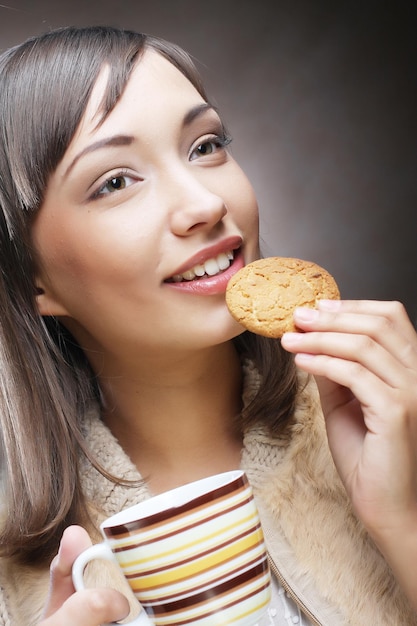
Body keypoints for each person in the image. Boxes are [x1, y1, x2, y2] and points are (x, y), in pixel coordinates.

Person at [0, 25, 416, 626]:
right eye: (115, 181)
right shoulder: (21, 584)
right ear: (33, 279)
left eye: (205, 145)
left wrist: (400, 517)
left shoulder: (386, 421)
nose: (205, 204)